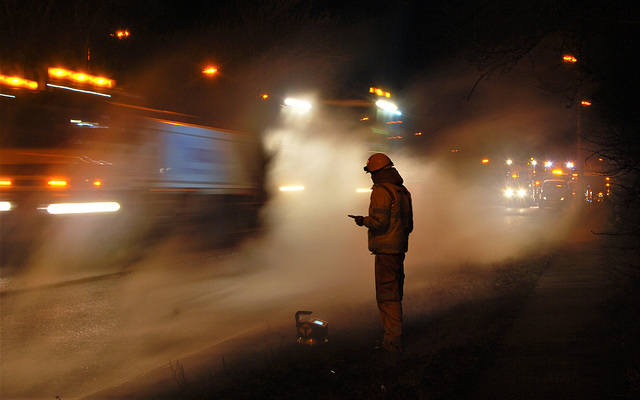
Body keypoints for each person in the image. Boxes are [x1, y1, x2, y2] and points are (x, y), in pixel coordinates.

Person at [349, 153, 413, 353]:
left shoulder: (381, 191)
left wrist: (363, 220)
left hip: (385, 250)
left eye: (371, 173)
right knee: (395, 291)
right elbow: (409, 225)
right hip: (398, 248)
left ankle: (392, 342)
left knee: (387, 295)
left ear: (376, 172)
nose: (370, 177)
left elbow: (379, 221)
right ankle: (395, 335)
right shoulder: (402, 191)